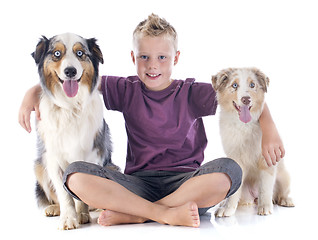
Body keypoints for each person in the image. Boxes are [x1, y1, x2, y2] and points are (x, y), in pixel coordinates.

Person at [18, 14, 284, 228]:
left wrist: (269, 127)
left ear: (175, 58)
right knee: (74, 175)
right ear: (133, 58)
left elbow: (240, 94)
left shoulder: (191, 92)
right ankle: (163, 213)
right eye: (144, 57)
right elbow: (77, 80)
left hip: (186, 182)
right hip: (137, 185)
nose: (152, 65)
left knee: (230, 171)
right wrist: (34, 91)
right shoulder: (126, 88)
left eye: (162, 57)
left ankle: (138, 215)